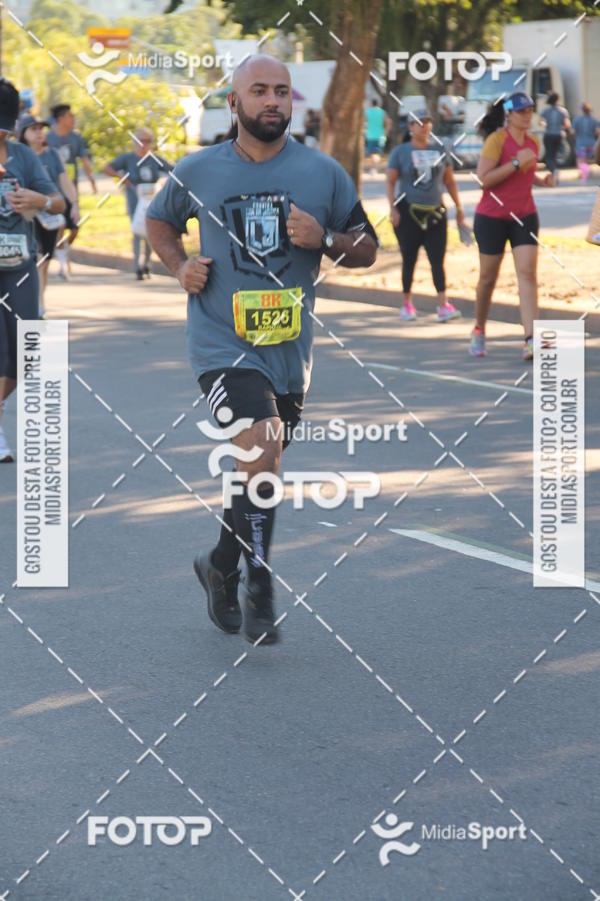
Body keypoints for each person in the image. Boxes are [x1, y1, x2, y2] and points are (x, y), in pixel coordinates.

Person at [146, 55, 377, 645]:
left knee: (261, 469)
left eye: (281, 91)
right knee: (263, 442)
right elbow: (158, 223)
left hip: (288, 351)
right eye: (259, 91)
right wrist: (180, 267)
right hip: (220, 345)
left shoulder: (323, 173)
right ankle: (261, 582)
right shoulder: (197, 169)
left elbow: (369, 247)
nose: (272, 100)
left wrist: (323, 238)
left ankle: (219, 563)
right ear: (233, 103)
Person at [0, 79, 65, 463]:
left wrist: (40, 200)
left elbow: (57, 203)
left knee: (27, 352)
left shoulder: (23, 157)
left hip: (21, 266)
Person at [470, 92, 554, 361]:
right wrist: (516, 163)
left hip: (524, 215)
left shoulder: (532, 142)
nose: (527, 115)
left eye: (530, 110)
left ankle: (531, 339)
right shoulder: (497, 141)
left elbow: (524, 176)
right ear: (509, 114)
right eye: (521, 111)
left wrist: (542, 180)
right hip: (492, 218)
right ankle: (479, 328)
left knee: (527, 274)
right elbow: (484, 180)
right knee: (488, 278)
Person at [386, 109, 463, 322]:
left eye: (428, 121)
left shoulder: (440, 150)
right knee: (409, 258)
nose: (425, 126)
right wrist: (393, 208)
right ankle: (407, 304)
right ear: (410, 127)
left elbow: (449, 180)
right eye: (419, 122)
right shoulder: (400, 152)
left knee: (437, 258)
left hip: (435, 212)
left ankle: (443, 304)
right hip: (408, 212)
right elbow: (391, 180)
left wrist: (459, 207)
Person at [18, 114, 78, 315]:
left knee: (44, 261)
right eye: (33, 129)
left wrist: (74, 205)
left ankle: (39, 301)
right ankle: (35, 304)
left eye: (40, 129)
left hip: (50, 213)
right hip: (27, 215)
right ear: (23, 134)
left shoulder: (52, 154)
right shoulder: (19, 155)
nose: (38, 133)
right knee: (37, 257)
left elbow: (64, 182)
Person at [103, 128, 173, 279]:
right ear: (135, 142)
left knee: (149, 231)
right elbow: (107, 168)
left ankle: (147, 264)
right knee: (136, 230)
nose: (144, 145)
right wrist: (123, 179)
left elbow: (172, 170)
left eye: (148, 141)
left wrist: (163, 185)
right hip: (135, 199)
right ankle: (136, 265)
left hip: (151, 200)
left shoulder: (155, 159)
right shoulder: (128, 159)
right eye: (141, 141)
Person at [46, 103, 96, 278]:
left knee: (74, 228)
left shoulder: (76, 138)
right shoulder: (48, 138)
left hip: (71, 191)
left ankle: (63, 250)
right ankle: (62, 265)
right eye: (70, 116)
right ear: (61, 119)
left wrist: (92, 182)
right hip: (53, 191)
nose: (73, 119)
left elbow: (85, 161)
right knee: (60, 225)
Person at [541, 93, 570, 184]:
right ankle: (555, 171)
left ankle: (553, 171)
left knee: (549, 155)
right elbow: (567, 125)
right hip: (559, 134)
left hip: (549, 134)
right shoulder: (562, 111)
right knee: (556, 154)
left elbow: (541, 122)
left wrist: (546, 125)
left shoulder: (546, 111)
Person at [571, 102, 600, 184]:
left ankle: (584, 176)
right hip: (592, 143)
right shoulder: (594, 120)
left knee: (581, 161)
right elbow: (597, 132)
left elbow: (573, 132)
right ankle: (589, 171)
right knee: (593, 160)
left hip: (580, 143)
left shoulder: (576, 120)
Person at [365, 100, 387, 174]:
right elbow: (388, 122)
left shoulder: (368, 112)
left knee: (372, 153)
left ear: (372, 104)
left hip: (370, 135)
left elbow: (364, 122)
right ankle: (375, 166)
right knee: (378, 152)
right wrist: (385, 132)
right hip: (381, 136)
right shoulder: (382, 112)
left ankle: (373, 168)